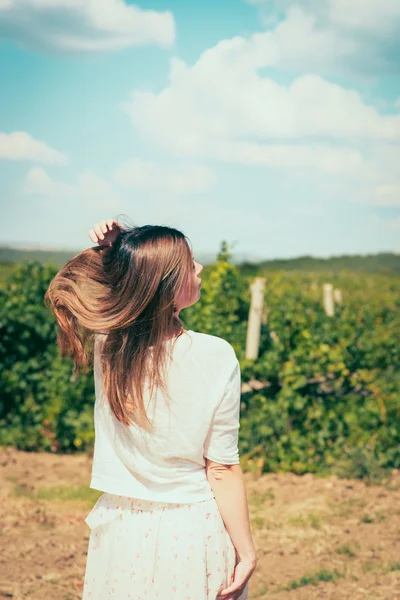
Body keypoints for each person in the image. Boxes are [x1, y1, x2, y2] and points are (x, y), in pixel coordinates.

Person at [45, 218, 257, 600]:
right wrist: (246, 552)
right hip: (192, 530)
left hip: (122, 530)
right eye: (190, 264)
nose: (201, 268)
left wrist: (114, 251)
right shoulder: (216, 354)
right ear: (168, 284)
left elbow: (123, 288)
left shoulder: (109, 348)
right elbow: (221, 468)